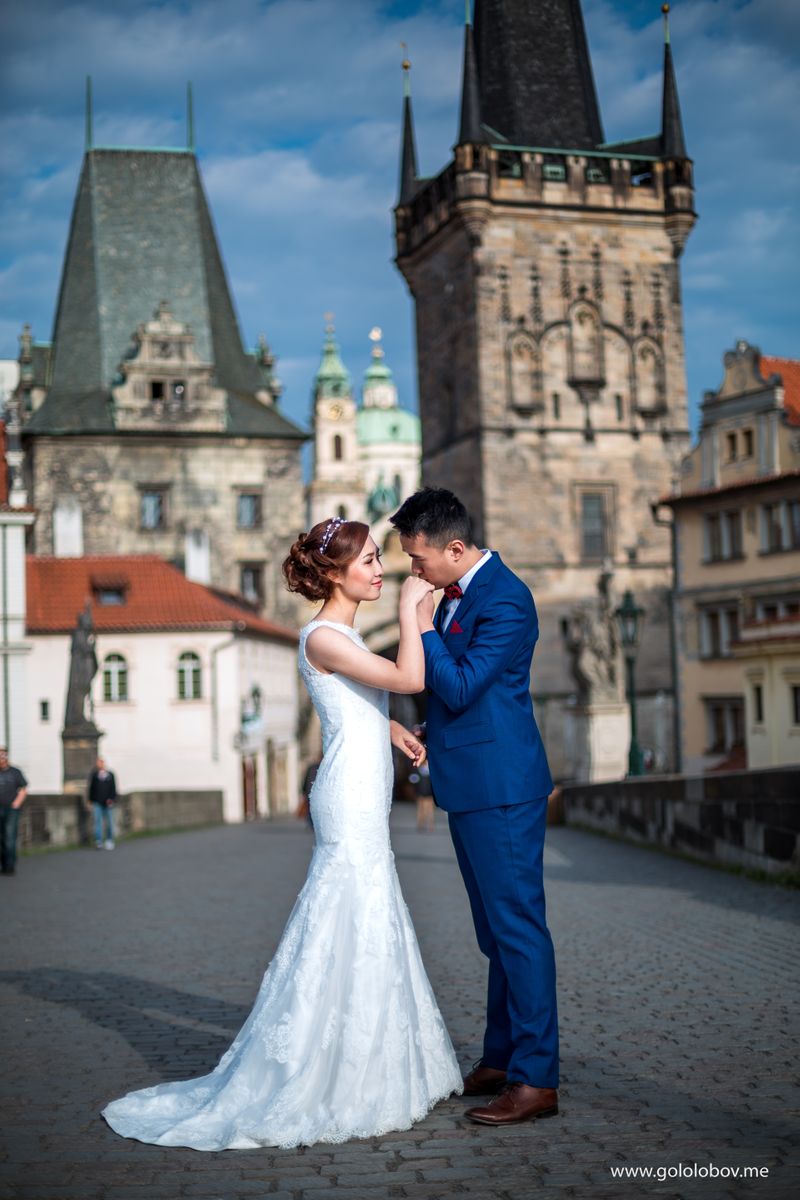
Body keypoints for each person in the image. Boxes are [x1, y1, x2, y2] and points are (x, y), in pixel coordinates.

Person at [101, 516, 462, 1149]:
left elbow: (359, 701)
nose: (382, 570)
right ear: (333, 574)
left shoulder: (340, 636)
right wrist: (415, 609)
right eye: (371, 562)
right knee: (349, 910)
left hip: (361, 783)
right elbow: (409, 680)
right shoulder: (323, 635)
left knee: (369, 912)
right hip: (347, 796)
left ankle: (375, 1057)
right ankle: (329, 1066)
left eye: (383, 561)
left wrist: (392, 730)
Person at [390, 487, 559, 1127]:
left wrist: (423, 622)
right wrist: (434, 734)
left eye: (419, 560)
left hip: (503, 787)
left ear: (456, 549)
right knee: (495, 934)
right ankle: (500, 1055)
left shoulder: (507, 598)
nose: (414, 572)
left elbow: (459, 683)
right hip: (472, 779)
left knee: (518, 930)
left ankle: (536, 1078)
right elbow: (465, 692)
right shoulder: (463, 591)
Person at [0, 748, 27, 877]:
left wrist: (16, 804)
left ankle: (10, 865)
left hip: (11, 809)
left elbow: (23, 789)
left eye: (3, 756)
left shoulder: (15, 772)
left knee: (10, 837)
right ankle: (3, 864)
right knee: (1, 838)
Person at [87, 757, 117, 849]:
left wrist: (112, 799)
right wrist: (90, 801)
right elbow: (91, 789)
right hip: (97, 802)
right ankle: (98, 841)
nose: (99, 764)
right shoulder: (94, 775)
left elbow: (113, 788)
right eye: (98, 763)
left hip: (108, 803)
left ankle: (109, 840)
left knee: (109, 822)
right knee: (97, 822)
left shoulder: (110, 775)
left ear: (104, 763)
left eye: (101, 763)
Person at [410, 762, 435, 832]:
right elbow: (413, 780)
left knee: (429, 810)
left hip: (428, 793)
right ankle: (420, 824)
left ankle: (430, 825)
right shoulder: (418, 770)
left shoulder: (430, 771)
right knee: (421, 810)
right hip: (420, 793)